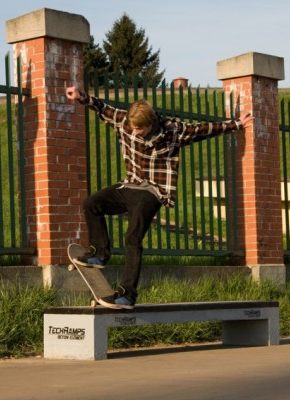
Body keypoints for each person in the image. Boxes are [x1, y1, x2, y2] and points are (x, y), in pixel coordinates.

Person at [65, 86, 254, 309]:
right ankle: (100, 253)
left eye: (140, 130)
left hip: (153, 191)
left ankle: (126, 294)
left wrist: (236, 124)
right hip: (131, 184)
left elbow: (203, 129)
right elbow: (101, 107)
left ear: (151, 123)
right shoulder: (123, 121)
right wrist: (81, 96)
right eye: (132, 129)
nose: (135, 133)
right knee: (91, 204)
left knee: (132, 236)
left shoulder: (173, 130)